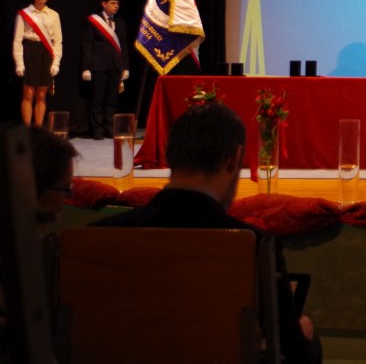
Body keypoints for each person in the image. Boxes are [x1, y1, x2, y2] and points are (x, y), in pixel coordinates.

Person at [91, 102, 322, 363]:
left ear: (168, 154)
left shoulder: (97, 236)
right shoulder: (254, 244)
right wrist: (302, 333)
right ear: (235, 159)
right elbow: (290, 350)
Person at [80, 0, 130, 140]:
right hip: (98, 66)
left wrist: (125, 67)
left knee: (111, 100)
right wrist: (86, 67)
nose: (116, 6)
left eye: (118, 4)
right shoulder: (93, 20)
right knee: (97, 99)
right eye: (113, 3)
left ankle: (109, 128)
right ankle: (97, 130)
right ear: (104, 4)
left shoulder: (120, 22)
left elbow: (123, 46)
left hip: (115, 66)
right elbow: (87, 44)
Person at [12, 0, 63, 127]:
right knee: (28, 94)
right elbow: (17, 40)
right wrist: (19, 63)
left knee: (41, 95)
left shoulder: (54, 15)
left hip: (46, 53)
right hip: (29, 52)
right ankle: (27, 130)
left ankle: (38, 131)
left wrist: (56, 62)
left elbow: (58, 41)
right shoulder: (24, 14)